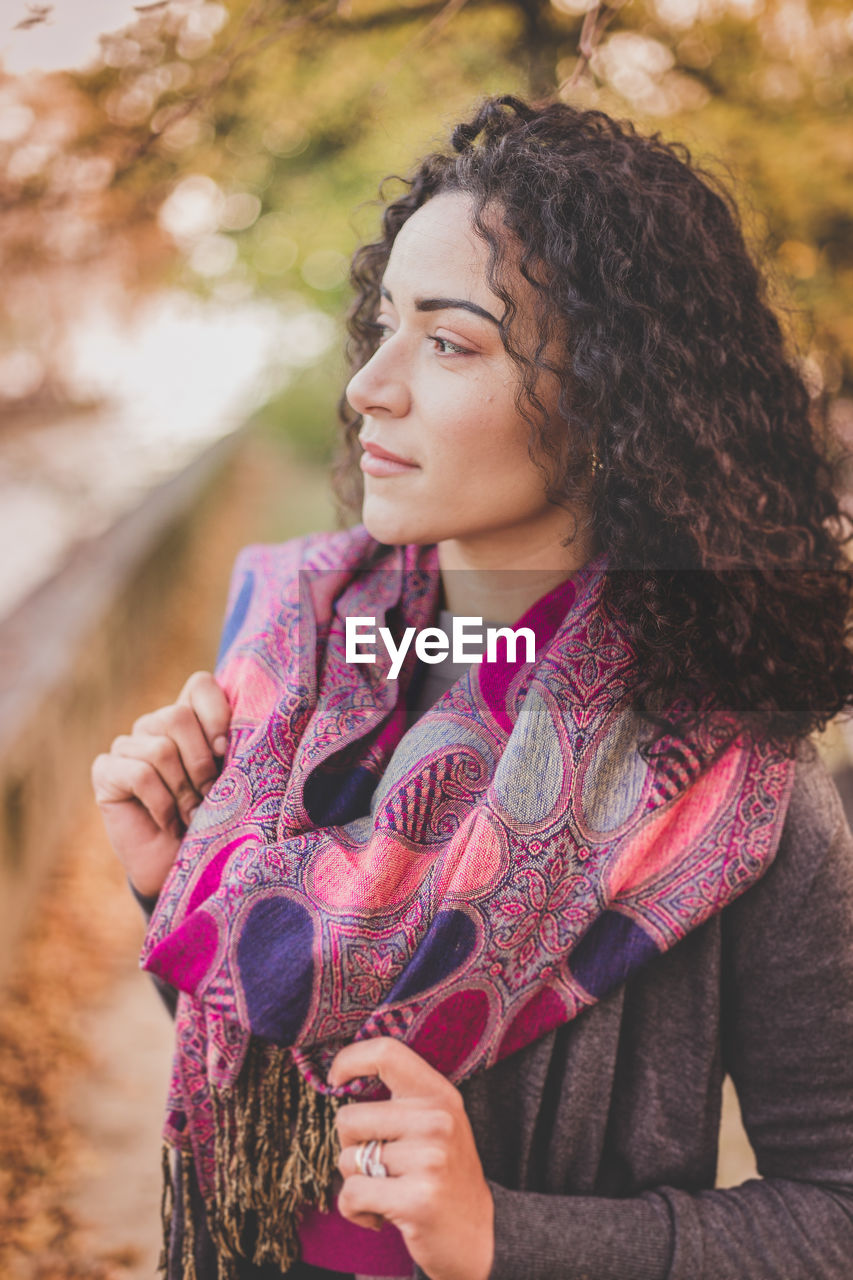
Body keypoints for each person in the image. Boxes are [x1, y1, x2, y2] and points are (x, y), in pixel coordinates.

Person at [91, 96, 853, 1280]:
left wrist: (508, 1234)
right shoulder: (293, 665)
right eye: (384, 325)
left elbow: (833, 1210)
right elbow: (284, 1073)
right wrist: (174, 886)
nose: (367, 388)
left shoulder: (737, 784)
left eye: (450, 342)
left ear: (609, 404)